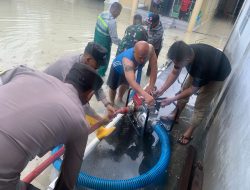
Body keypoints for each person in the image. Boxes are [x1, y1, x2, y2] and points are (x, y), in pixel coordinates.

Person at [0, 64, 108, 189]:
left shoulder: (25, 72)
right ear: (90, 95)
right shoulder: (79, 122)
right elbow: (67, 182)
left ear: (67, 78)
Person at [155, 41, 231, 145]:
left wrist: (171, 99)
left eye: (178, 64)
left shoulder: (202, 65)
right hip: (205, 66)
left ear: (187, 60)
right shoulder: (184, 52)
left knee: (200, 105)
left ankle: (189, 132)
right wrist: (162, 90)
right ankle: (175, 115)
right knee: (183, 90)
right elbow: (174, 72)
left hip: (218, 75)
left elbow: (192, 90)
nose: (176, 66)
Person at [44, 42, 116, 119]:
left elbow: (95, 83)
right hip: (46, 89)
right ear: (88, 59)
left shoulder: (90, 65)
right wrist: (98, 119)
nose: (96, 69)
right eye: (95, 68)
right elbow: (76, 99)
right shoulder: (69, 67)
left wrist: (107, 104)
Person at [107, 41, 158, 106]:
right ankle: (112, 102)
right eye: (140, 58)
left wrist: (151, 85)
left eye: (144, 57)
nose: (142, 60)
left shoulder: (150, 49)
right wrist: (145, 95)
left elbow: (154, 67)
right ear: (134, 53)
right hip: (117, 68)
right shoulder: (128, 61)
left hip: (132, 68)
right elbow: (132, 81)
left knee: (125, 84)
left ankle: (119, 98)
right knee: (113, 87)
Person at [94, 2, 122, 76]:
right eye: (119, 13)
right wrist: (123, 43)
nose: (118, 15)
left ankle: (93, 73)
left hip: (96, 42)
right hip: (104, 45)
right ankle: (100, 77)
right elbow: (114, 39)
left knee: (95, 59)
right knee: (103, 62)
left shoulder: (102, 13)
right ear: (116, 11)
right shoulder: (112, 22)